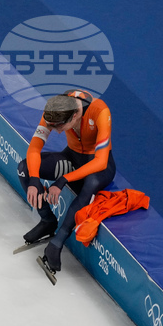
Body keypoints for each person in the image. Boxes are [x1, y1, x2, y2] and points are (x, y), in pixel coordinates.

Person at [17, 89, 116, 274]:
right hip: (72, 159)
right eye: (53, 127)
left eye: (60, 127)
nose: (58, 132)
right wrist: (35, 178)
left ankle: (57, 243)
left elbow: (101, 161)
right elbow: (34, 149)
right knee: (25, 169)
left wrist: (63, 179)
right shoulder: (55, 108)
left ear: (76, 115)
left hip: (97, 166)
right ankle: (47, 221)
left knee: (91, 184)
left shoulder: (100, 111)